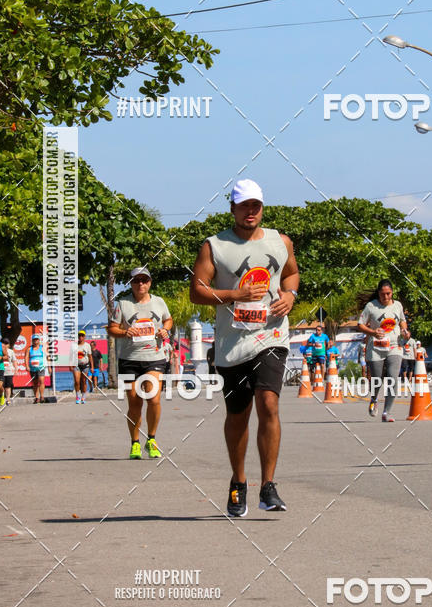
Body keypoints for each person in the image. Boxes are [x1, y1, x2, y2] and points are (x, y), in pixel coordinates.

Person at [190, 179, 299, 516]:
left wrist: (290, 296)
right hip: (233, 342)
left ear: (262, 208)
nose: (250, 211)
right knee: (238, 416)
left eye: (256, 206)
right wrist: (235, 295)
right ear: (233, 209)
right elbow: (197, 291)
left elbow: (291, 274)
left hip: (271, 336)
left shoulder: (280, 241)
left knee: (269, 403)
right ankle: (238, 481)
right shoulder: (214, 246)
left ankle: (268, 486)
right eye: (243, 206)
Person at [108, 266, 173, 459]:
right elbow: (112, 328)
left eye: (144, 280)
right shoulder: (123, 304)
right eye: (136, 280)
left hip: (155, 357)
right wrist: (124, 332)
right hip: (129, 359)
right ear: (131, 283)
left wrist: (165, 330)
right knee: (135, 403)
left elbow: (168, 320)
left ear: (150, 282)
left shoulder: (159, 302)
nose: (141, 284)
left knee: (154, 399)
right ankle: (135, 443)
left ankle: (151, 439)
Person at [358, 279, 410, 421]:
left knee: (393, 378)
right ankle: (374, 399)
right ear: (378, 293)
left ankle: (387, 412)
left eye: (388, 294)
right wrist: (373, 332)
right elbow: (360, 325)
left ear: (392, 292)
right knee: (377, 379)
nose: (386, 297)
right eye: (382, 294)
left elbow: (402, 321)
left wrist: (405, 331)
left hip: (394, 346)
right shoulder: (371, 306)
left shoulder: (398, 305)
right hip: (376, 347)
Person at [70, 331, 92, 403]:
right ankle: (77, 396)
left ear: (84, 337)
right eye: (79, 335)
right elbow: (71, 356)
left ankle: (83, 396)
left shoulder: (87, 345)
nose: (81, 337)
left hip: (85, 365)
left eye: (82, 336)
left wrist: (92, 367)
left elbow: (90, 356)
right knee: (77, 381)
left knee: (84, 381)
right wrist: (70, 365)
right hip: (76, 365)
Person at [25, 334, 46, 403]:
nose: (35, 341)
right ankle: (36, 397)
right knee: (35, 383)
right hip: (33, 368)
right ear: (32, 341)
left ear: (39, 340)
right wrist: (27, 366)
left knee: (41, 381)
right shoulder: (29, 349)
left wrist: (48, 366)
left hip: (41, 367)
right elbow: (26, 357)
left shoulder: (42, 348)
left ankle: (42, 396)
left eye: (37, 339)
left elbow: (47, 356)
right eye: (34, 340)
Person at [2, 338, 17, 405]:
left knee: (8, 385)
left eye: (6, 343)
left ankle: (8, 399)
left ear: (9, 345)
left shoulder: (11, 351)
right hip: (1, 370)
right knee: (1, 386)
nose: (5, 345)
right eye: (3, 343)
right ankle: (2, 398)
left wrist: (16, 369)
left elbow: (14, 360)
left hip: (9, 370)